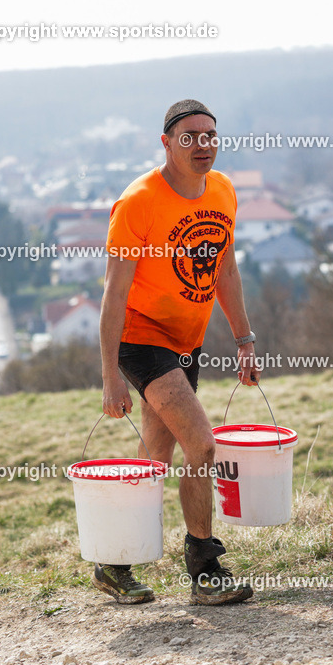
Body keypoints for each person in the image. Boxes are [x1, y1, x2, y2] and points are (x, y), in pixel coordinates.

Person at [96, 99, 259, 606]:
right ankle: (205, 568)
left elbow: (225, 270)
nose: (202, 144)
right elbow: (113, 294)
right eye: (190, 136)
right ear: (166, 143)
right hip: (140, 341)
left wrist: (244, 339)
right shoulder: (139, 202)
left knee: (153, 460)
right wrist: (110, 375)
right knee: (203, 445)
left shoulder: (224, 191)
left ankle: (114, 564)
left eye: (210, 135)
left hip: (186, 343)